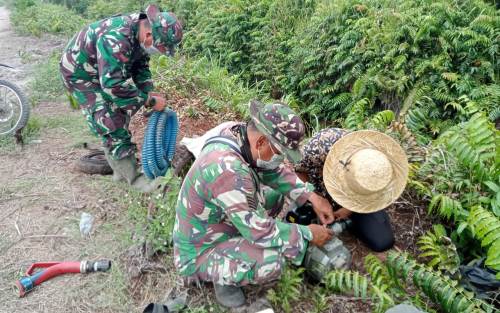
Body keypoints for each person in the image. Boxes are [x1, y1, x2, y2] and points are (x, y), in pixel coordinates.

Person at [173, 100, 335, 308]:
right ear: (261, 143)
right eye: (279, 153)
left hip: (217, 219)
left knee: (275, 197)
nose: (281, 160)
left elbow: (273, 171)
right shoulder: (229, 171)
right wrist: (308, 234)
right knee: (273, 261)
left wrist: (311, 196)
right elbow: (259, 231)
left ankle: (236, 248)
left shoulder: (235, 132)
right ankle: (222, 277)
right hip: (200, 250)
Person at [59, 4, 182, 192]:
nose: (159, 52)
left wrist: (149, 91)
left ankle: (119, 167)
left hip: (102, 71)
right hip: (80, 73)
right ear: (149, 36)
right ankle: (134, 180)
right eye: (160, 48)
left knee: (120, 112)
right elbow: (113, 86)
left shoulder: (139, 33)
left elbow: (140, 66)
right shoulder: (117, 38)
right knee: (109, 119)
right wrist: (149, 101)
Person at [295, 128, 409, 252]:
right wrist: (315, 199)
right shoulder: (320, 148)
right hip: (321, 191)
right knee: (301, 223)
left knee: (383, 241)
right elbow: (300, 172)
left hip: (360, 198)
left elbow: (376, 194)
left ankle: (349, 218)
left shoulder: (380, 164)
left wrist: (348, 210)